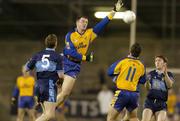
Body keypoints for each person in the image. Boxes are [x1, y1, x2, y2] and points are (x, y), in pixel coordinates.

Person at [57, 0, 123, 106]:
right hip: (64, 61)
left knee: (65, 94)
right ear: (77, 23)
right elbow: (70, 52)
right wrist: (85, 58)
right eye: (82, 21)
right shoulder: (70, 35)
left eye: (86, 22)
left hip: (75, 65)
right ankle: (45, 104)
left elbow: (103, 23)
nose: (84, 24)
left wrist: (114, 10)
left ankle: (50, 109)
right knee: (56, 86)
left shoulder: (89, 34)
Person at [25, 34, 64, 121]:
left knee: (45, 114)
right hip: (49, 85)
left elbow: (26, 68)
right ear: (56, 43)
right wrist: (60, 83)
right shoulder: (57, 57)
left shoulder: (37, 55)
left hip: (38, 85)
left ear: (46, 43)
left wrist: (31, 60)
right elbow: (61, 75)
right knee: (50, 115)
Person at [106, 43, 146, 121]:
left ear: (130, 51)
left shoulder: (123, 61)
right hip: (134, 95)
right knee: (133, 117)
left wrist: (118, 76)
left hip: (122, 93)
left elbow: (109, 72)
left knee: (110, 118)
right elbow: (142, 80)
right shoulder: (141, 66)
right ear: (139, 53)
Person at [141, 55, 175, 121]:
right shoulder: (151, 73)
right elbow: (147, 88)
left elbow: (169, 85)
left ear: (164, 63)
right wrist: (147, 81)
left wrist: (165, 74)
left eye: (159, 60)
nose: (157, 62)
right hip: (150, 102)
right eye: (156, 61)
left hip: (161, 104)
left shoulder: (169, 74)